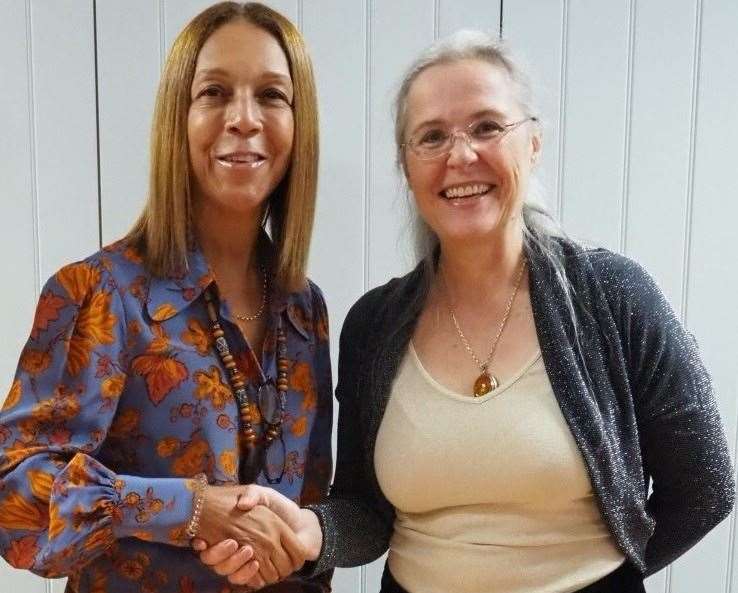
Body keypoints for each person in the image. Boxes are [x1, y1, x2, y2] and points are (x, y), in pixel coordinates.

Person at [196, 30, 735, 593]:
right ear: (406, 167)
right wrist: (311, 533)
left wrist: (609, 577)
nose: (460, 155)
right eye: (431, 137)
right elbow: (366, 512)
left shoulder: (611, 296)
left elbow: (707, 486)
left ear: (532, 143)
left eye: (486, 127)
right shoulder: (373, 324)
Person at [0, 2, 334, 592]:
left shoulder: (304, 309)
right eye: (214, 92)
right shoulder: (99, 294)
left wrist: (294, 553)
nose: (244, 118)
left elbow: (307, 517)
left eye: (272, 95)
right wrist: (190, 508)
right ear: (176, 118)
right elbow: (14, 499)